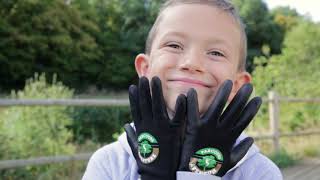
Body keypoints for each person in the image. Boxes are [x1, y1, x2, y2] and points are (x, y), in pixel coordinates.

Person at [82, 0, 282, 179]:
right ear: (145, 68)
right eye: (174, 45)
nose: (192, 63)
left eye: (216, 52)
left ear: (237, 85)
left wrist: (200, 174)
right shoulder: (108, 165)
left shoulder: (259, 173)